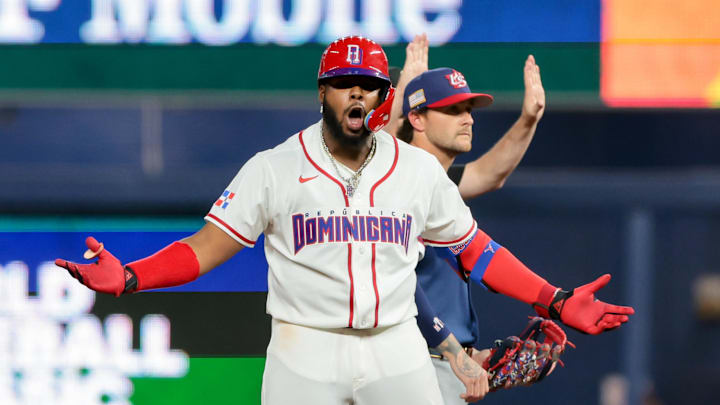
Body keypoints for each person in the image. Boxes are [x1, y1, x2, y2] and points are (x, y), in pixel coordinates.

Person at [55, 36, 633, 405]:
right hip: (304, 351)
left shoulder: (415, 169)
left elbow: (477, 250)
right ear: (323, 92)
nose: (357, 93)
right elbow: (204, 248)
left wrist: (553, 299)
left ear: (385, 95)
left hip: (395, 347)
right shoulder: (275, 168)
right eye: (344, 85)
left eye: (370, 85)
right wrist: (133, 277)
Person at [389, 35, 634, 404]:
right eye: (453, 110)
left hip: (441, 365)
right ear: (414, 117)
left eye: (469, 109)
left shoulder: (439, 187)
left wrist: (554, 300)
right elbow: (381, 156)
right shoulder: (384, 183)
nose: (468, 118)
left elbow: (481, 242)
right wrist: (405, 90)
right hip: (400, 364)